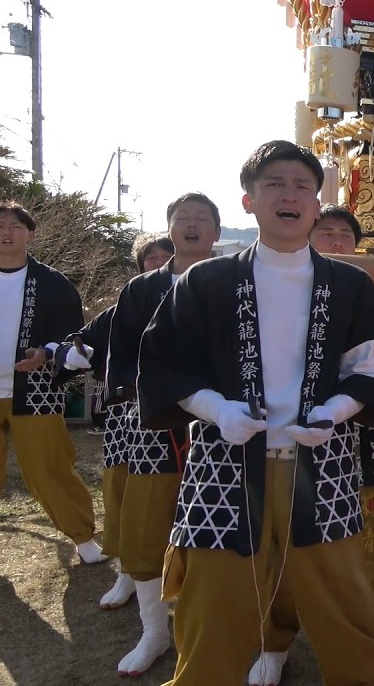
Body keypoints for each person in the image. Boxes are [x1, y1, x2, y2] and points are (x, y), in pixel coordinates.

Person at [137, 141, 374, 685]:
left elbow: (373, 367)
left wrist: (337, 407)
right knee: (213, 605)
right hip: (225, 458)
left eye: (303, 185)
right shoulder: (204, 282)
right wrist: (214, 409)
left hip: (322, 462)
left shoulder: (350, 284)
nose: (290, 195)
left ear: (317, 199)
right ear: (248, 201)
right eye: (274, 184)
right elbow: (166, 364)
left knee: (345, 599)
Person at [246, 205, 374, 685]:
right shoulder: (261, 291)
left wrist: (352, 406)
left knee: (362, 550)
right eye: (329, 233)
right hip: (273, 452)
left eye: (346, 235)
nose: (338, 242)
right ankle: (274, 639)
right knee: (277, 550)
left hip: (355, 450)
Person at [107, 192, 221, 677]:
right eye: (182, 219)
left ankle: (225, 624)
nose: (192, 227)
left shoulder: (239, 280)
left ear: (218, 230)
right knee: (148, 524)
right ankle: (155, 630)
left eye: (202, 220)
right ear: (168, 228)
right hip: (155, 423)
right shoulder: (140, 289)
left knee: (225, 527)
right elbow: (124, 355)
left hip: (224, 425)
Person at [56, 234, 174, 607]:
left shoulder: (204, 295)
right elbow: (80, 343)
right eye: (150, 258)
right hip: (127, 414)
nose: (157, 263)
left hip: (187, 413)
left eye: (164, 257)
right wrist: (70, 353)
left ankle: (175, 573)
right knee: (123, 492)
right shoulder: (129, 302)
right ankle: (127, 572)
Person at [0, 201, 105, 566]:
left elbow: (70, 335)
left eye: (15, 225)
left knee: (50, 466)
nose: (6, 232)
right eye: (0, 225)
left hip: (35, 387)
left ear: (31, 233)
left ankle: (83, 535)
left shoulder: (52, 283)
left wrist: (45, 353)